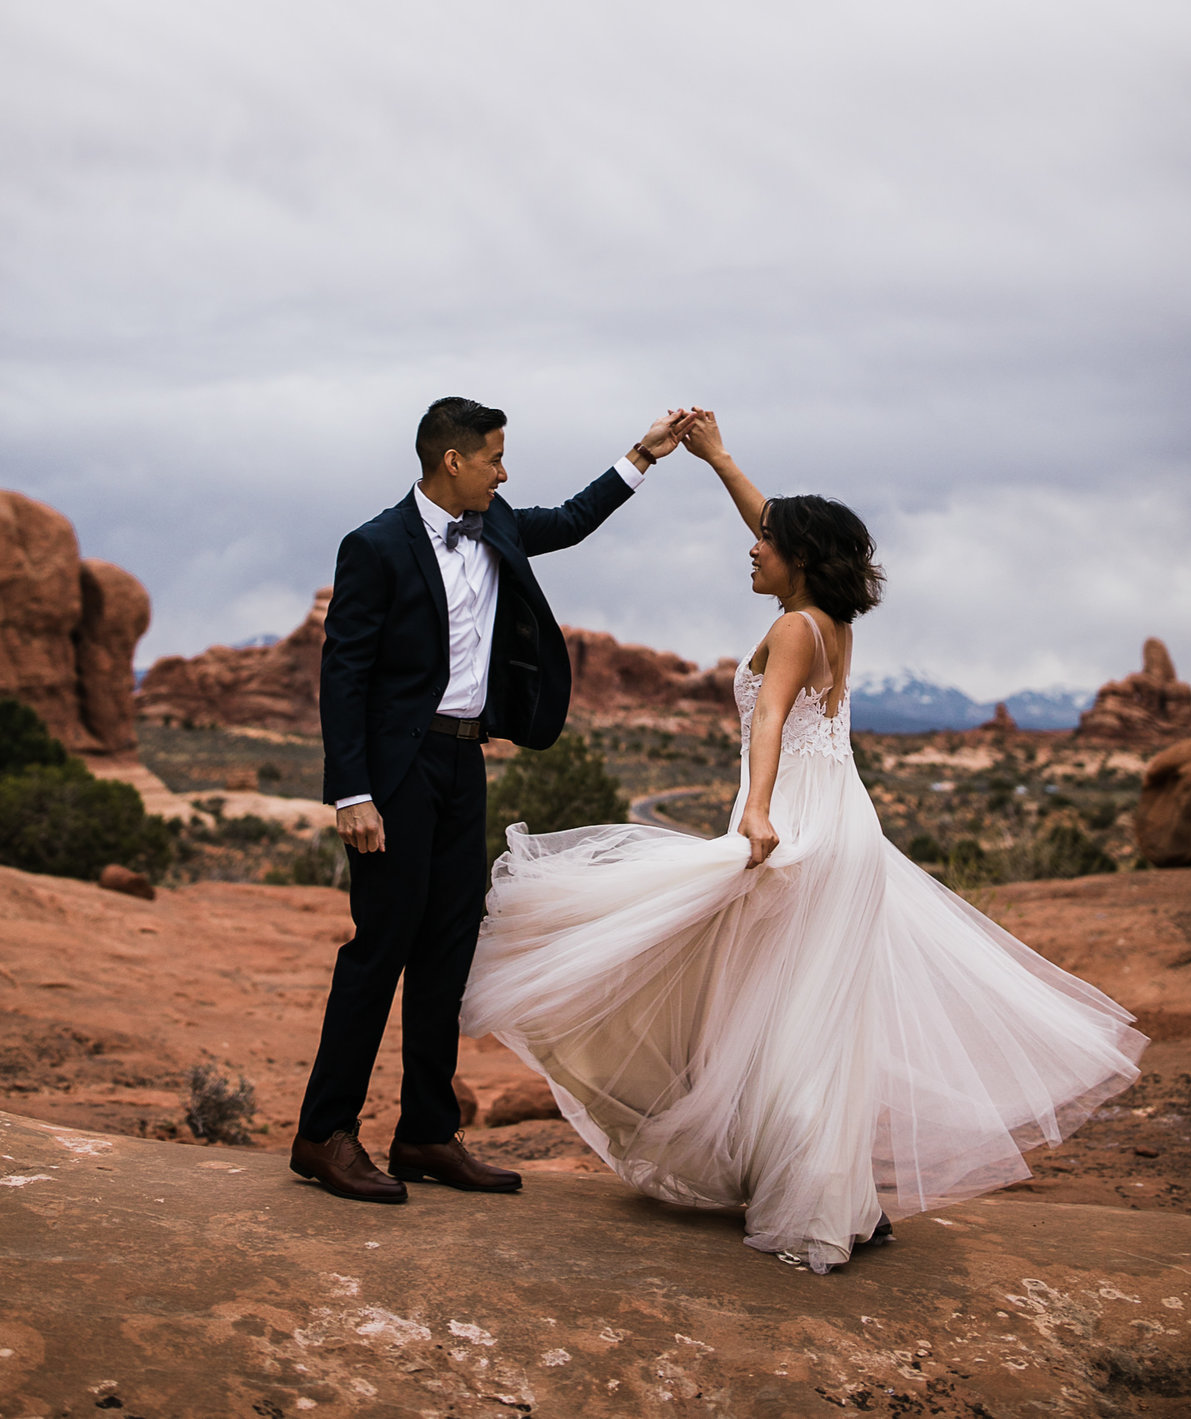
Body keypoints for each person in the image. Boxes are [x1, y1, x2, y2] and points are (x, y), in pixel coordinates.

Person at [458, 410, 1147, 1271]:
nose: (753, 546)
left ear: (798, 559)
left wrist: (756, 812)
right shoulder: (828, 616)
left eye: (767, 542)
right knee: (808, 1015)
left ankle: (813, 1203)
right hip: (841, 826)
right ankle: (838, 1194)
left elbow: (772, 719)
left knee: (772, 1010)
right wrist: (717, 460)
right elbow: (777, 533)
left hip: (799, 829)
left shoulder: (792, 628)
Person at [294, 395, 693, 1203]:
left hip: (463, 764)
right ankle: (323, 1134)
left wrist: (642, 455)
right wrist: (352, 793)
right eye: (494, 458)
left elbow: (574, 519)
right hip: (397, 775)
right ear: (453, 460)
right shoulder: (373, 545)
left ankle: (427, 1134)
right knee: (381, 949)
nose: (504, 472)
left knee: (448, 949)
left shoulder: (498, 521)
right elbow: (344, 673)